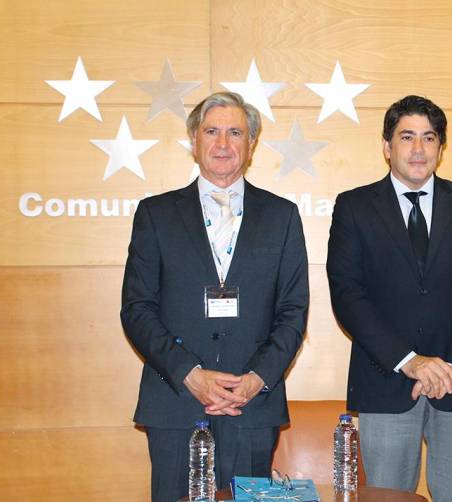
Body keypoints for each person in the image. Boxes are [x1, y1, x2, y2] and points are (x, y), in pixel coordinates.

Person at [120, 92, 309, 502]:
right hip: (175, 404)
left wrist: (257, 379)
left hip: (252, 407)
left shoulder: (282, 216)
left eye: (235, 132)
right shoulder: (155, 214)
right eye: (212, 131)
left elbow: (293, 311)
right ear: (193, 139)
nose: (223, 143)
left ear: (252, 145)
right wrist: (191, 374)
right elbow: (137, 308)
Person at [326, 95, 452, 501]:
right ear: (387, 147)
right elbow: (348, 294)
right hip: (386, 381)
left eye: (429, 138)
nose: (419, 149)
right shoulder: (354, 207)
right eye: (407, 137)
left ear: (442, 148)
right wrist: (409, 361)